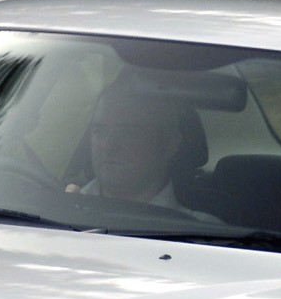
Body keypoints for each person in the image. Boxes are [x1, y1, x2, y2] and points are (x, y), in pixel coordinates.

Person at [75, 79, 199, 209]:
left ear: (169, 144)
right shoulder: (61, 209)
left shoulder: (199, 228)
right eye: (99, 131)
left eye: (128, 132)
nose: (108, 145)